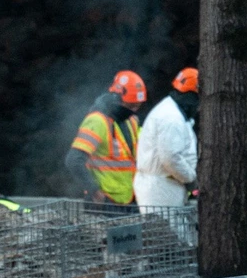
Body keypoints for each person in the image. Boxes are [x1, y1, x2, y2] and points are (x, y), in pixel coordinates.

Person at [64, 70, 146, 207]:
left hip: (128, 201)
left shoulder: (131, 120)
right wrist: (94, 191)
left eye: (138, 105)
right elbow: (73, 160)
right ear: (117, 98)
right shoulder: (98, 121)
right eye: (131, 105)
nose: (135, 110)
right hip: (104, 203)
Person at [134, 66, 199, 209]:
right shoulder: (171, 118)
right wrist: (191, 179)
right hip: (160, 189)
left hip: (164, 185)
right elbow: (170, 157)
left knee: (171, 230)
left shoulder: (173, 112)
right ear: (191, 96)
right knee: (166, 230)